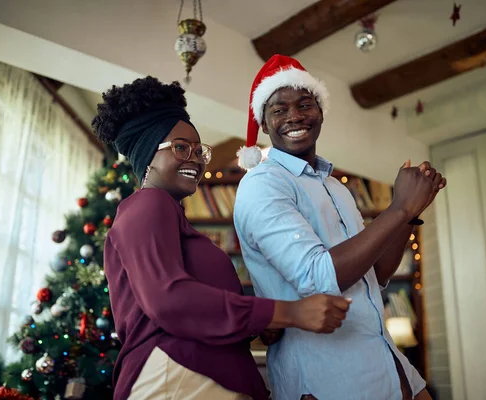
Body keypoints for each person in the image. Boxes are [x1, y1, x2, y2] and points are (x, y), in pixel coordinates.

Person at [91, 76, 353, 400]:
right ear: (147, 154)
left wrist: (258, 325)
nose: (196, 159)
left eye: (199, 150)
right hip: (176, 378)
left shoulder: (173, 219)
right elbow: (169, 300)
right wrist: (290, 313)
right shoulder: (148, 203)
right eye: (181, 148)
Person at [234, 55, 447, 400]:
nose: (295, 116)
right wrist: (399, 207)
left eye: (305, 104)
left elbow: (375, 274)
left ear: (320, 111)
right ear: (263, 122)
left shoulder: (336, 187)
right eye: (279, 109)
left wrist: (410, 213)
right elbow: (318, 278)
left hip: (386, 362)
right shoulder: (263, 184)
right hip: (327, 377)